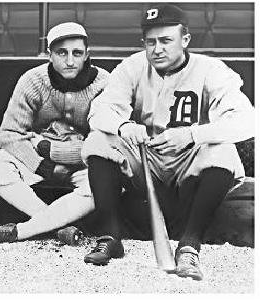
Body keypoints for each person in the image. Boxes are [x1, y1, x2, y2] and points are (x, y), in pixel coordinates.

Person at [81, 4, 254, 280]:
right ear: (143, 43)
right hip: (147, 157)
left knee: (223, 151)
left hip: (188, 160)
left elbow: (247, 121)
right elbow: (100, 111)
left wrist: (192, 135)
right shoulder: (133, 66)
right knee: (99, 141)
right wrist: (124, 126)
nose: (157, 49)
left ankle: (189, 245)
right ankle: (110, 236)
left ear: (185, 40)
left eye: (165, 40)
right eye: (151, 41)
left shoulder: (210, 69)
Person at [0, 22, 109, 245]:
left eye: (77, 53)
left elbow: (102, 141)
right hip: (36, 163)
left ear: (87, 54)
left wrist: (50, 149)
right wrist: (44, 165)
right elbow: (9, 134)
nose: (69, 61)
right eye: (61, 53)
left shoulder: (104, 82)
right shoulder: (33, 80)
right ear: (50, 55)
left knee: (108, 181)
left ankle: (26, 229)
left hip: (82, 166)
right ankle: (58, 227)